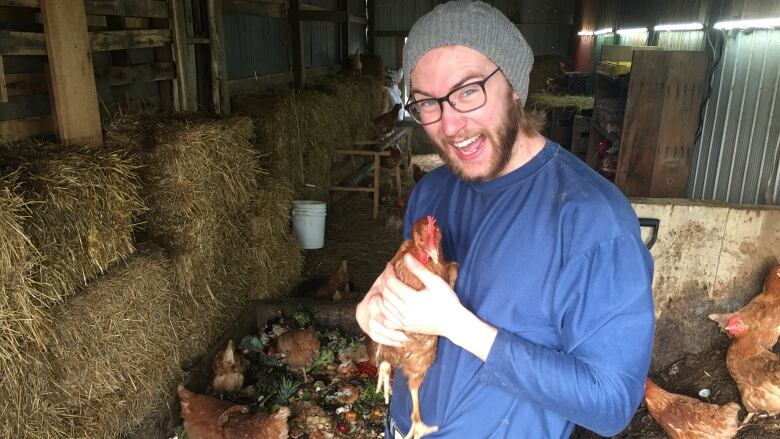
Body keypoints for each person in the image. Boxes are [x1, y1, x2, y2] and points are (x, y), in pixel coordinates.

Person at [355, 1, 655, 438]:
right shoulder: (431, 193)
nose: (451, 124)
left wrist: (460, 326)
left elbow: (610, 403)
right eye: (427, 103)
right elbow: (417, 327)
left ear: (513, 85)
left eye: (468, 91)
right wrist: (377, 321)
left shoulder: (593, 221)